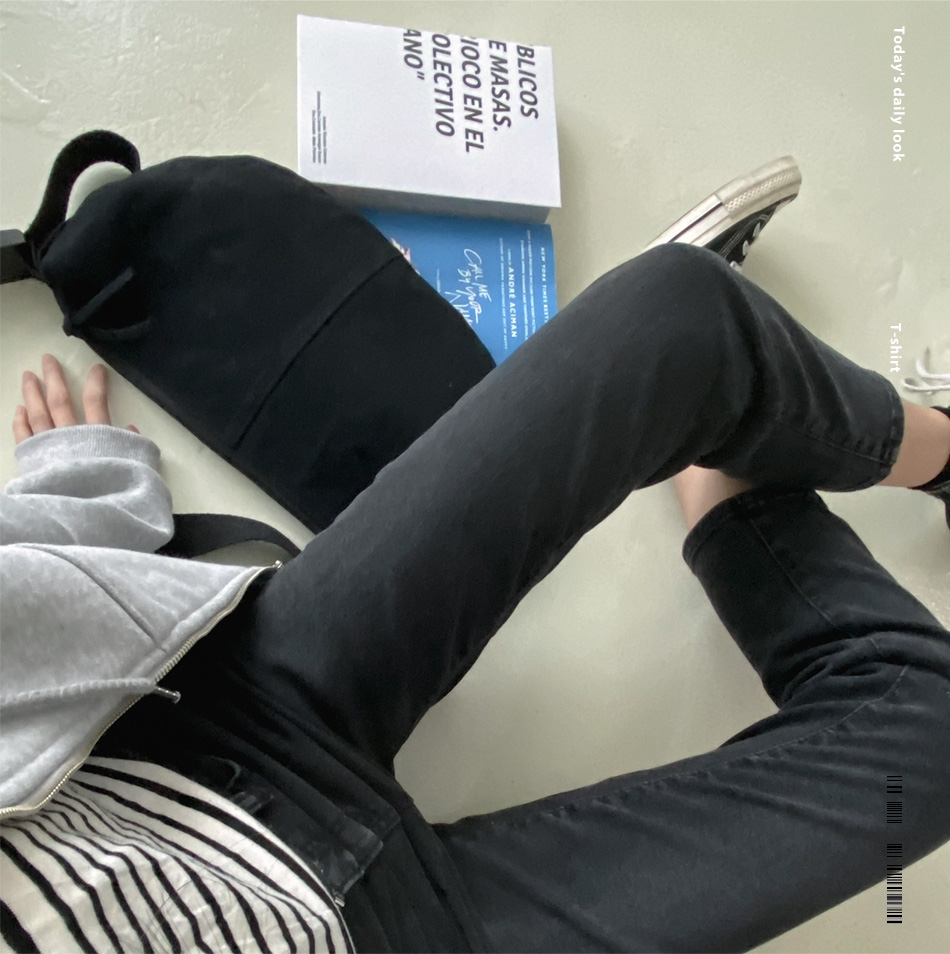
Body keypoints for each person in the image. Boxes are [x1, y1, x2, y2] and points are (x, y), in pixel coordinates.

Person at [2, 157, 950, 954]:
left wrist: (69, 503)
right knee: (930, 739)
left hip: (198, 710)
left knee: (678, 310)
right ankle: (721, 457)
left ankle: (932, 453)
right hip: (385, 936)